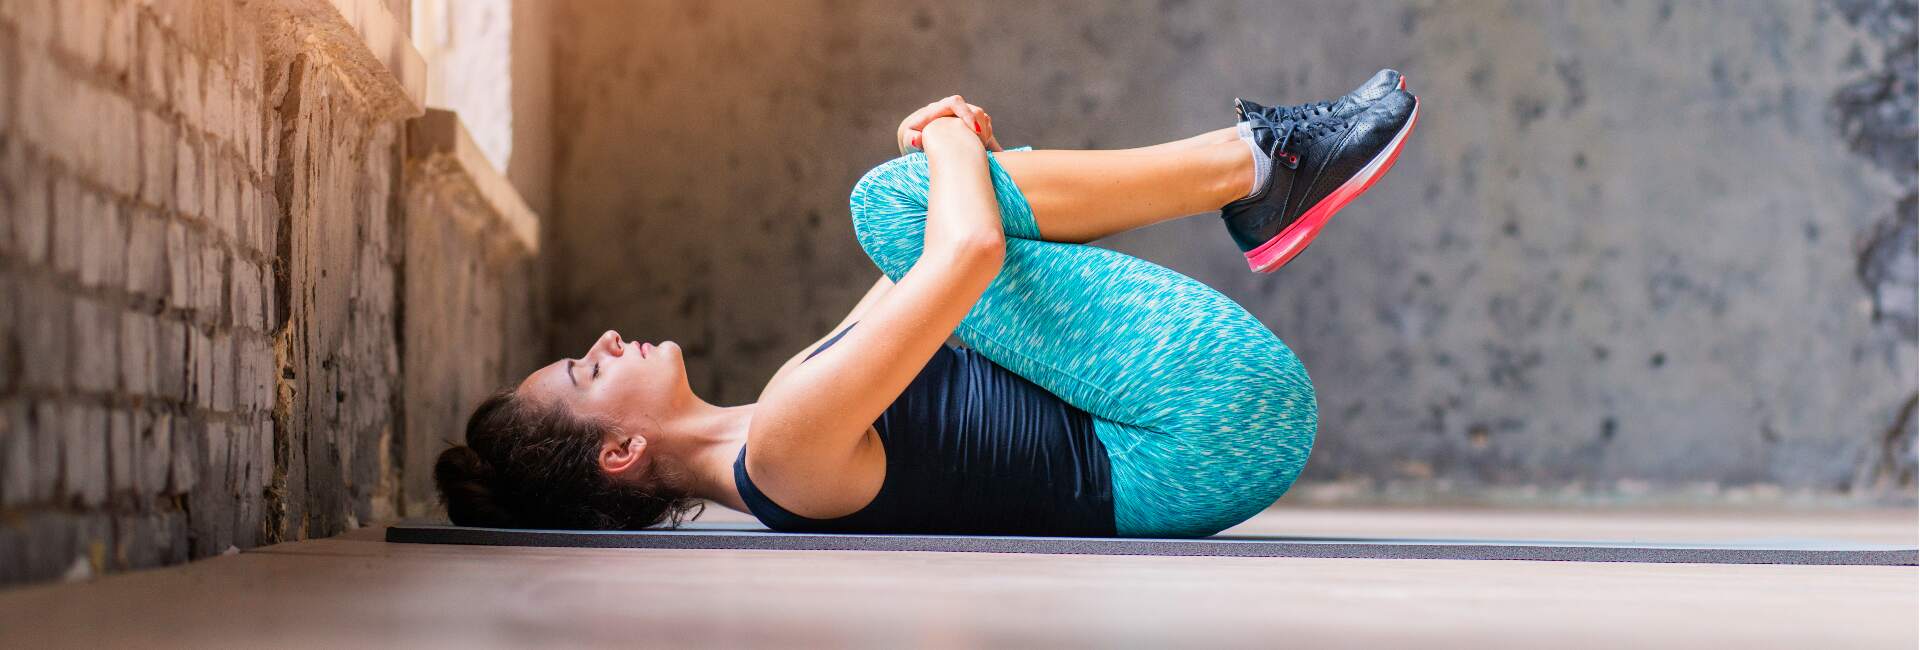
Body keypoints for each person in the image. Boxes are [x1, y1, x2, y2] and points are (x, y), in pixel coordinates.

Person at [435, 70, 1420, 538]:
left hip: (1204, 439)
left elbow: (966, 248)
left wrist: (970, 158)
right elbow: (967, 248)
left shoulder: (777, 416)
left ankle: (1264, 169)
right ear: (619, 451)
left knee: (932, 200)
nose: (603, 342)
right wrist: (944, 134)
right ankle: (1262, 164)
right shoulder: (779, 446)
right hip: (1194, 435)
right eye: (586, 369)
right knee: (898, 200)